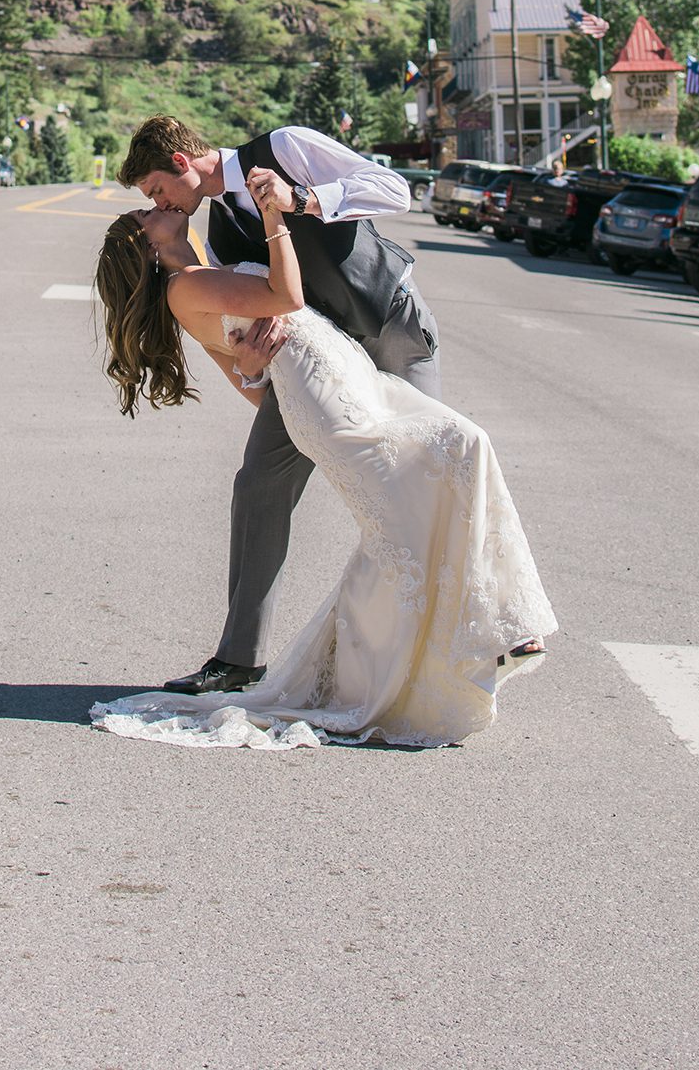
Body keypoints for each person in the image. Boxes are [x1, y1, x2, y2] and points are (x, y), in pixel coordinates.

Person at [90, 176, 556, 749]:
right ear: (147, 246)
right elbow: (287, 297)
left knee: (463, 446)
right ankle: (441, 658)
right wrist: (275, 219)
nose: (154, 208)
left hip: (348, 379)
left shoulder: (203, 269)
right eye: (145, 215)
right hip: (331, 406)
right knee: (417, 506)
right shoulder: (184, 288)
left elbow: (252, 382)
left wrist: (257, 368)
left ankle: (495, 630)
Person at [118, 116, 445, 698]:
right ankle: (239, 659)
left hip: (389, 321)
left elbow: (397, 190)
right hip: (324, 360)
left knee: (427, 469)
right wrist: (249, 361)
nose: (159, 202)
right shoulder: (219, 236)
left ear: (180, 163)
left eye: (155, 191)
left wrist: (306, 199)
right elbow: (258, 315)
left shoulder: (286, 147)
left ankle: (468, 632)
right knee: (258, 484)